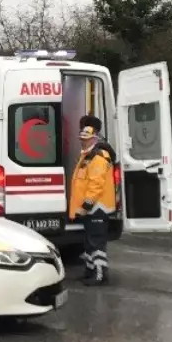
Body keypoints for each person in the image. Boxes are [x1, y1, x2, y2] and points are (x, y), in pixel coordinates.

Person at [69, 115, 116, 287]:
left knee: (96, 244)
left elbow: (96, 185)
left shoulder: (97, 156)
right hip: (92, 208)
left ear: (94, 138)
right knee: (89, 243)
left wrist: (86, 206)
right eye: (82, 139)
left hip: (96, 208)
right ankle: (90, 272)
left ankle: (99, 274)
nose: (82, 142)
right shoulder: (89, 154)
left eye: (86, 139)